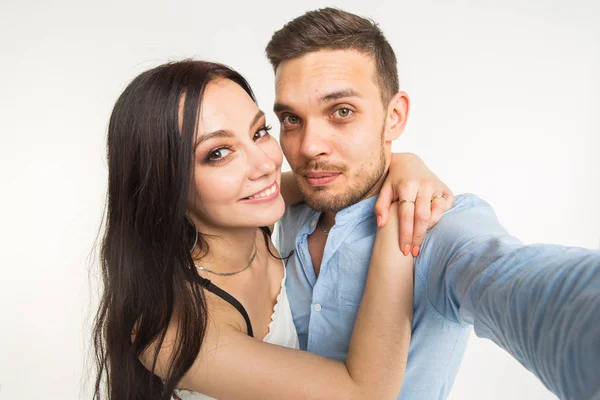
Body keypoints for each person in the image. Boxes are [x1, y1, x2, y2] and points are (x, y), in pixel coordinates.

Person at [267, 7, 600, 400]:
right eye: (291, 119)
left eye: (342, 112)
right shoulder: (280, 209)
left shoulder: (436, 225)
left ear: (395, 117)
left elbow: (514, 279)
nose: (308, 148)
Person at [92, 60, 454, 400]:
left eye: (260, 131)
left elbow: (341, 179)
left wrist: (405, 164)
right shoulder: (169, 331)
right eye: (219, 153)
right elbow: (363, 393)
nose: (266, 163)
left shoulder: (249, 212)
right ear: (165, 185)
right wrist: (398, 216)